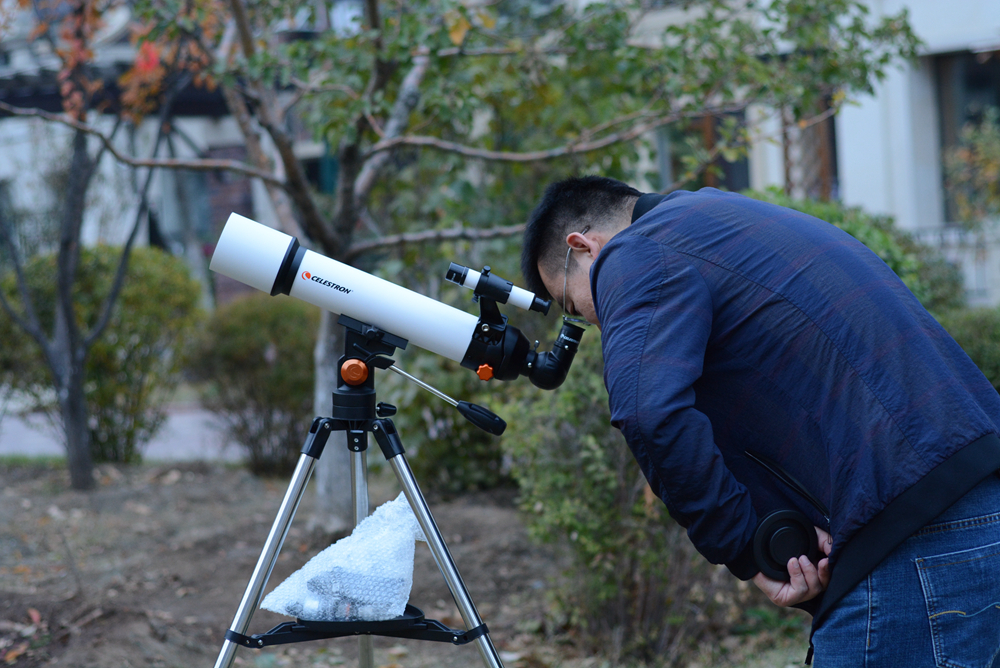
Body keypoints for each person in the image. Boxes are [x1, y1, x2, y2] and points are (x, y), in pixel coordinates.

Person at [520, 176, 1000, 667]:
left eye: (574, 308)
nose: (595, 324)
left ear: (582, 246)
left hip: (912, 533)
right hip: (974, 492)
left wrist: (747, 550)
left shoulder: (632, 253)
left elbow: (649, 412)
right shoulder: (713, 216)